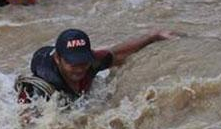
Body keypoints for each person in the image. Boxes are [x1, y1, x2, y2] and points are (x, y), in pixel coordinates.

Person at [17, 28, 178, 103]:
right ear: (58, 59)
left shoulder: (92, 62)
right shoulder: (39, 86)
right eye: (73, 63)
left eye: (83, 62)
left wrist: (153, 37)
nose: (80, 69)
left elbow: (119, 53)